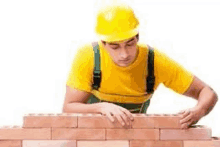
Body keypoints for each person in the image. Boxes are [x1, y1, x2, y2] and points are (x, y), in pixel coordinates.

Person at [62, 4, 218, 129]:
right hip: (91, 139)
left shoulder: (154, 61)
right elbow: (69, 107)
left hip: (132, 139)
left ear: (137, 37)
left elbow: (207, 92)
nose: (124, 54)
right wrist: (101, 107)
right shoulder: (89, 57)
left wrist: (199, 110)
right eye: (115, 47)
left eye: (130, 44)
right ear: (103, 43)